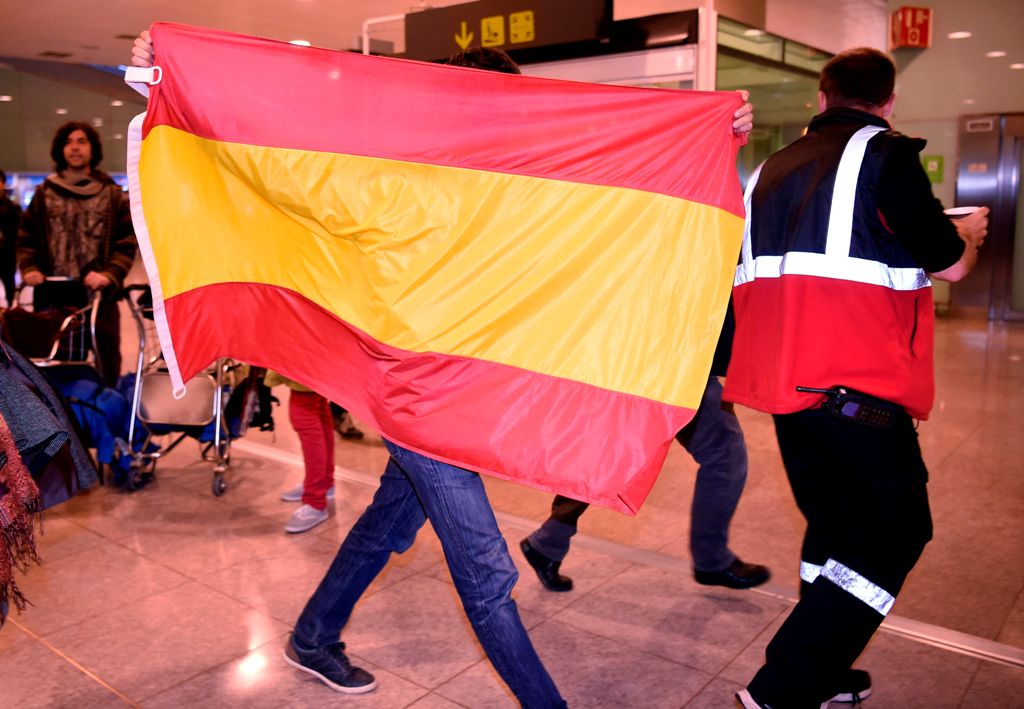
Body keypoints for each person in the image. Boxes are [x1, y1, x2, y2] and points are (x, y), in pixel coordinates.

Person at [131, 33, 754, 706]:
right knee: (486, 570)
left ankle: (313, 635)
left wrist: (717, 134)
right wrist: (157, 76)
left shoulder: (522, 187)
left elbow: (621, 196)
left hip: (471, 396)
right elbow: (269, 155)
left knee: (386, 524)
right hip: (417, 399)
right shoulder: (389, 177)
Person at [724, 48, 988, 709]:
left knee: (835, 528)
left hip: (789, 393)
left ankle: (825, 671)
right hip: (858, 392)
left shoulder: (770, 171)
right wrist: (973, 233)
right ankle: (782, 687)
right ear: (889, 101)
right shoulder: (886, 154)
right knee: (898, 530)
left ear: (821, 97)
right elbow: (951, 266)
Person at [521, 303, 770, 593]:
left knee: (608, 450)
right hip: (672, 350)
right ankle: (711, 560)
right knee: (721, 453)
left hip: (654, 345)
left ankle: (548, 541)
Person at [16, 123, 137, 385]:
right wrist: (29, 269)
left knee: (106, 364)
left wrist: (109, 274)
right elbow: (26, 239)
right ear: (61, 149)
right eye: (69, 141)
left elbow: (126, 241)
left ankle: (101, 414)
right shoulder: (44, 193)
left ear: (93, 149)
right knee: (50, 365)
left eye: (82, 141)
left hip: (99, 296)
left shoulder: (112, 194)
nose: (75, 147)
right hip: (52, 294)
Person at [267, 372, 337, 533]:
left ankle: (315, 500)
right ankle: (323, 483)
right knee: (318, 411)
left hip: (310, 359)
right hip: (318, 358)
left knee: (305, 417)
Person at [0, 169, 21, 306]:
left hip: (7, 254)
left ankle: (9, 308)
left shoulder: (12, 208)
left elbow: (19, 233)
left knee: (9, 283)